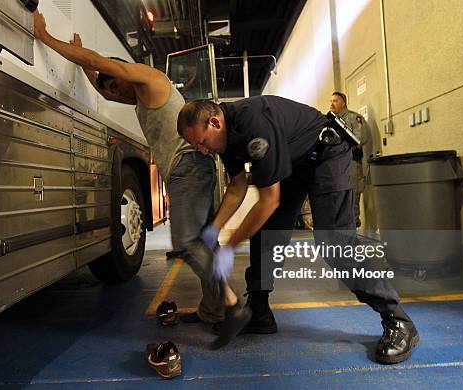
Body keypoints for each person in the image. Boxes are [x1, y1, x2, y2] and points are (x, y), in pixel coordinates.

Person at [33, 10, 251, 347]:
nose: (116, 93)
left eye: (116, 84)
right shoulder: (136, 97)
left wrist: (47, 38)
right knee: (205, 244)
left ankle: (233, 307)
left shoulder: (150, 79)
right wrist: (87, 69)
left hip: (188, 168)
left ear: (122, 73)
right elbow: (104, 86)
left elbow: (104, 65)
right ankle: (214, 311)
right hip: (190, 170)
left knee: (188, 245)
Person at [177, 96, 419, 364]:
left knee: (336, 245)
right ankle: (259, 312)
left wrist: (230, 247)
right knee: (266, 235)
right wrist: (213, 230)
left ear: (214, 122)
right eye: (195, 145)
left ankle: (397, 319)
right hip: (294, 164)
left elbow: (269, 200)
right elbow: (236, 187)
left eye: (201, 142)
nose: (202, 151)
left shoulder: (254, 124)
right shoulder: (223, 138)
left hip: (327, 154)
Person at [329, 92, 370, 227]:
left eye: (335, 101)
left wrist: (342, 148)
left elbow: (360, 139)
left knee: (352, 195)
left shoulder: (353, 118)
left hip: (351, 161)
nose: (331, 104)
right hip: (337, 164)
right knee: (340, 196)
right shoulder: (332, 121)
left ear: (343, 103)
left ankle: (354, 231)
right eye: (331, 101)